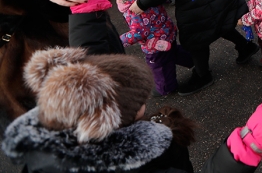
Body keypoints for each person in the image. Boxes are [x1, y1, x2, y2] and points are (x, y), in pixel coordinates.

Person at [2, 48, 199, 172]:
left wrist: (84, 15)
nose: (144, 102)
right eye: (139, 99)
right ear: (108, 118)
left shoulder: (44, 155)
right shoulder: (158, 152)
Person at [101, 0, 193, 96]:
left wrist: (119, 39)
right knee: (173, 52)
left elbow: (139, 32)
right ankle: (193, 59)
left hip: (154, 43)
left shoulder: (134, 10)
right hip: (167, 31)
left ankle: (166, 88)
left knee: (159, 66)